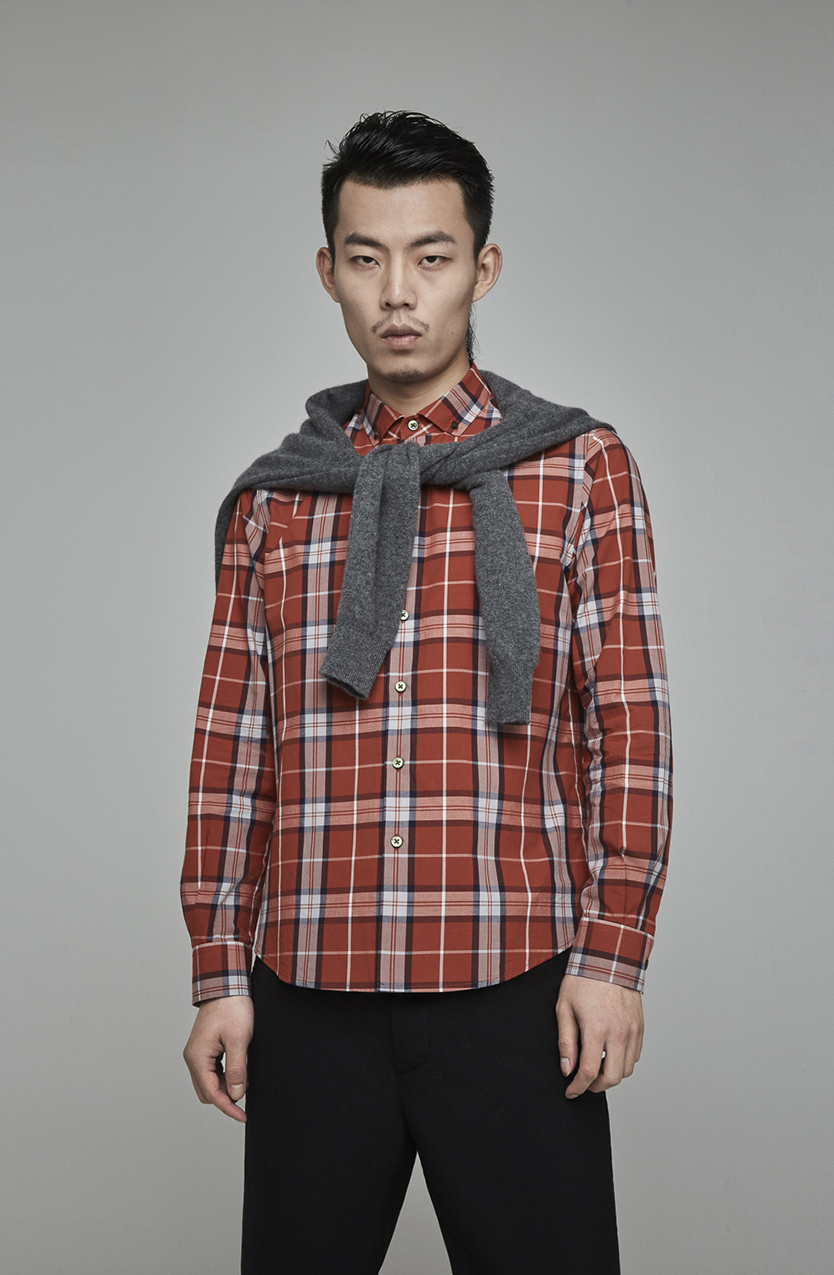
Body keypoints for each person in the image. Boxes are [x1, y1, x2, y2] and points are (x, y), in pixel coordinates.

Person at [181, 111, 672, 1275]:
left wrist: (613, 958)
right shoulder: (276, 501)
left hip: (515, 988)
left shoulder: (579, 468)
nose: (398, 292)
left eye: (430, 256)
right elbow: (233, 747)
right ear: (329, 272)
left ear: (482, 268)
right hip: (307, 993)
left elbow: (628, 729)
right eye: (367, 258)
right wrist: (217, 975)